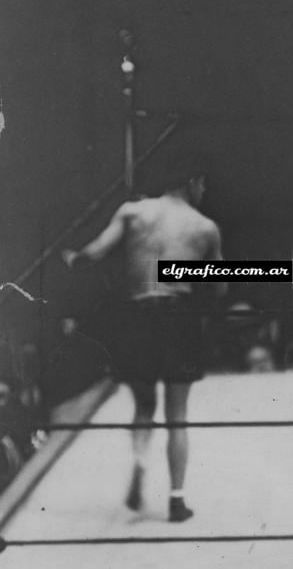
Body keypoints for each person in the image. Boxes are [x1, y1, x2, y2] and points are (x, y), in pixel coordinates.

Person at [61, 153, 222, 522]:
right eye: (202, 184)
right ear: (191, 181)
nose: (204, 191)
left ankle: (139, 463)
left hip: (135, 316)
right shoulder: (204, 227)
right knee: (177, 416)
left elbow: (95, 253)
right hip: (179, 316)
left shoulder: (133, 213)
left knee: (144, 405)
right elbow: (220, 285)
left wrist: (71, 258)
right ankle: (177, 501)